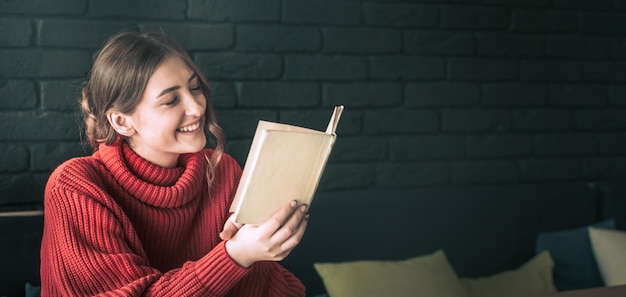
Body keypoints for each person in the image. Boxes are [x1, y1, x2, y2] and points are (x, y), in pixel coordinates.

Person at [40, 30, 308, 296]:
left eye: (194, 88)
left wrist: (267, 245)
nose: (197, 107)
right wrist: (235, 255)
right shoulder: (76, 186)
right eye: (170, 100)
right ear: (122, 121)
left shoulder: (223, 171)